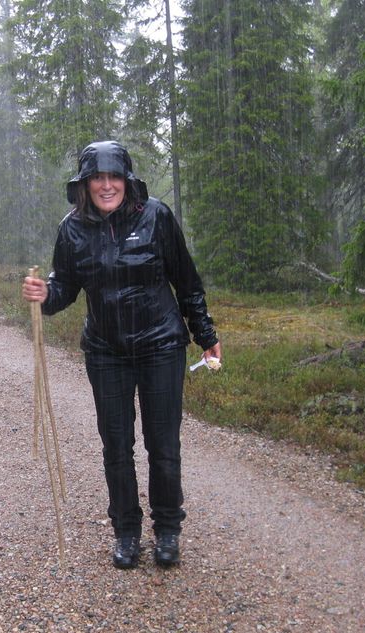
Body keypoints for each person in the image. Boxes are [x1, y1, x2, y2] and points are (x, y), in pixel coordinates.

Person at [22, 140, 221, 570]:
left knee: (163, 445)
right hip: (106, 350)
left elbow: (187, 282)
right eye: (98, 177)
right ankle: (126, 532)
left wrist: (205, 333)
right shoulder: (72, 229)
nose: (107, 185)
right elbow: (64, 289)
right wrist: (44, 295)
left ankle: (167, 530)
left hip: (161, 346)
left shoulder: (157, 217)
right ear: (86, 184)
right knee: (116, 445)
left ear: (127, 180)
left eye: (115, 177)